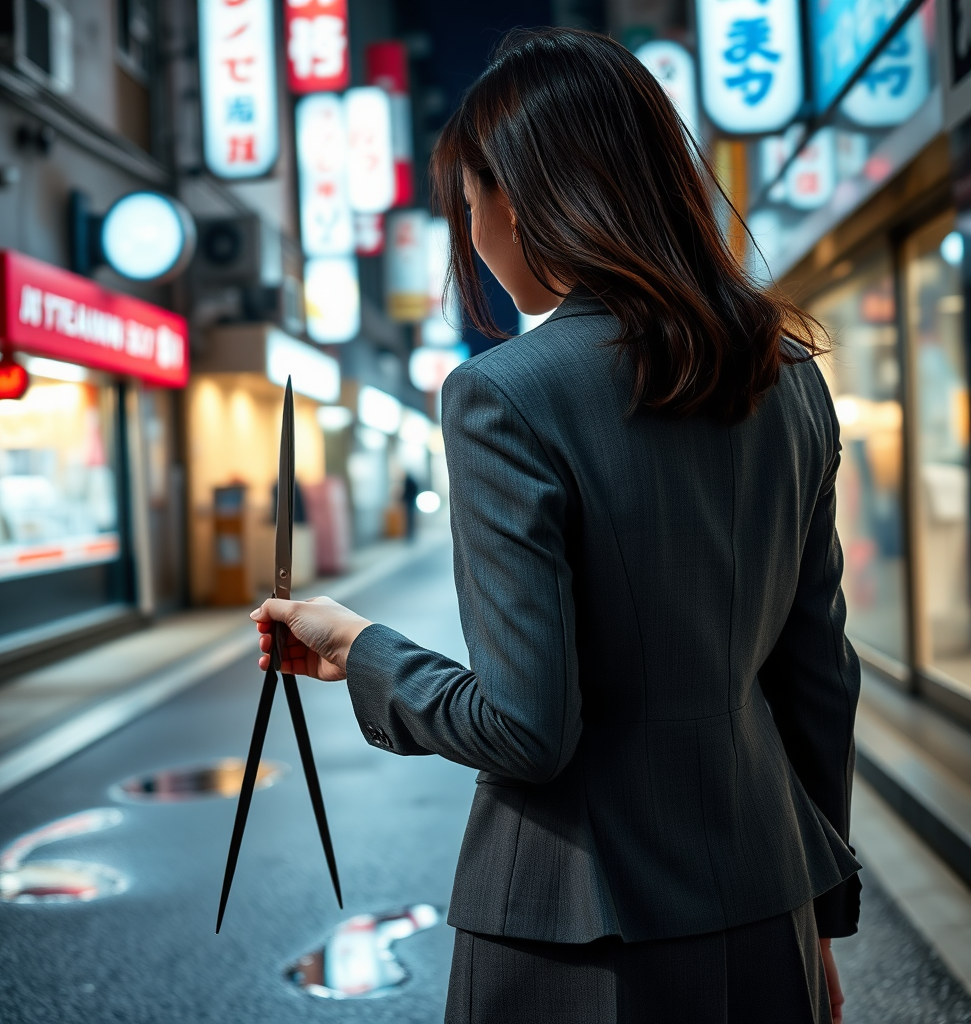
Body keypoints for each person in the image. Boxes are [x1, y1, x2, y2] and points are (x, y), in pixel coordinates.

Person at [252, 27, 860, 1024]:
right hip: (764, 906)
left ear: (521, 200)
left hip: (573, 928)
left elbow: (526, 728)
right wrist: (815, 907)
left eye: (469, 201)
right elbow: (819, 677)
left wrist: (357, 646)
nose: (474, 234)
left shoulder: (503, 395)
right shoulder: (788, 379)